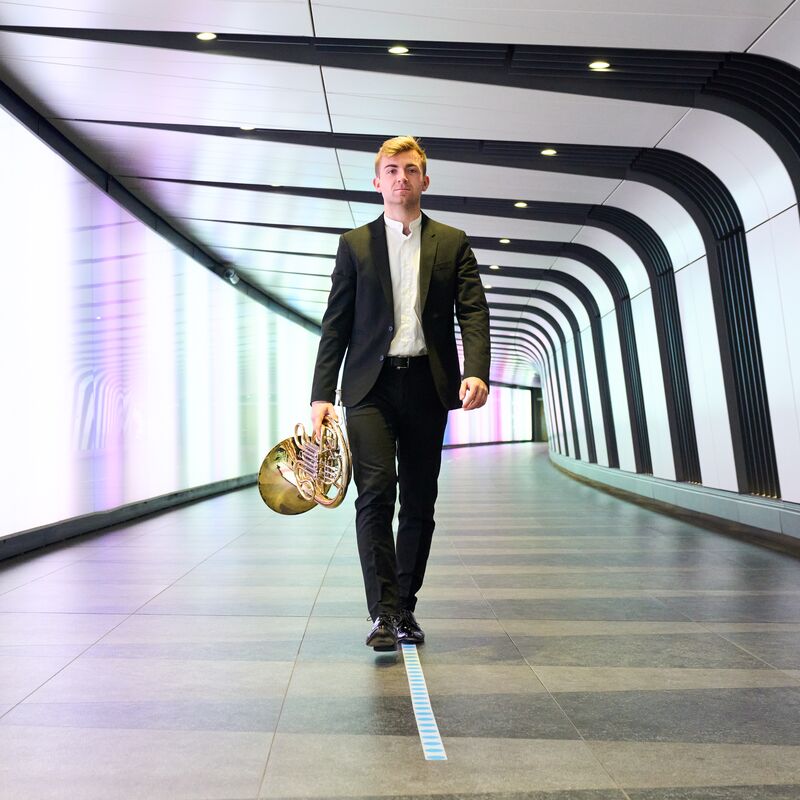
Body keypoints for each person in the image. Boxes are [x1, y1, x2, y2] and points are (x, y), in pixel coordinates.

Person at [310, 135, 490, 651]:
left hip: (429, 385)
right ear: (377, 182)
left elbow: (472, 311)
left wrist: (475, 369)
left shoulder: (452, 242)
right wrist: (322, 394)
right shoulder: (355, 245)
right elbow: (335, 325)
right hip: (369, 386)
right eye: (391, 170)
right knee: (375, 492)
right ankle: (383, 611)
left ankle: (405, 606)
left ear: (424, 180)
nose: (400, 178)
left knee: (419, 499)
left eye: (410, 170)